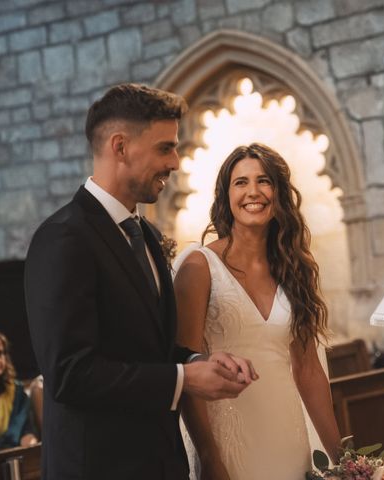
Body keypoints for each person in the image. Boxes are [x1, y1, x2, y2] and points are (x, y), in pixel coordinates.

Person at [24, 83, 257, 480]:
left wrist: (198, 362)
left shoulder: (145, 234)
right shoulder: (64, 238)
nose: (177, 161)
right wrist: (184, 379)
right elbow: (70, 374)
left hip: (160, 463)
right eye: (165, 147)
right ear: (120, 147)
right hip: (100, 468)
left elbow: (151, 348)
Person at [174, 143, 341, 480]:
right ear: (226, 195)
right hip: (228, 445)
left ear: (279, 192)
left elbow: (308, 371)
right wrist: (210, 457)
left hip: (287, 436)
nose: (254, 192)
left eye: (264, 181)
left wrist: (345, 459)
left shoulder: (295, 270)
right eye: (241, 182)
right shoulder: (199, 266)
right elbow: (186, 368)